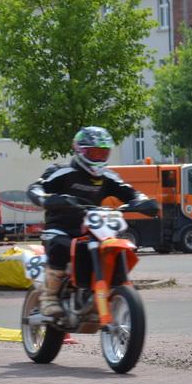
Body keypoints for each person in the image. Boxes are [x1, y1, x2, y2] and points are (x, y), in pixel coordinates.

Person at [27, 126, 153, 317]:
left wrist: (142, 201)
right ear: (80, 151)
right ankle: (49, 297)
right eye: (93, 153)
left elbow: (131, 192)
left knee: (114, 248)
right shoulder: (62, 171)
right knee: (61, 246)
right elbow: (36, 188)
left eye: (103, 153)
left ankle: (114, 290)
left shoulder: (108, 177)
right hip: (60, 228)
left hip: (93, 230)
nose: (98, 158)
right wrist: (47, 199)